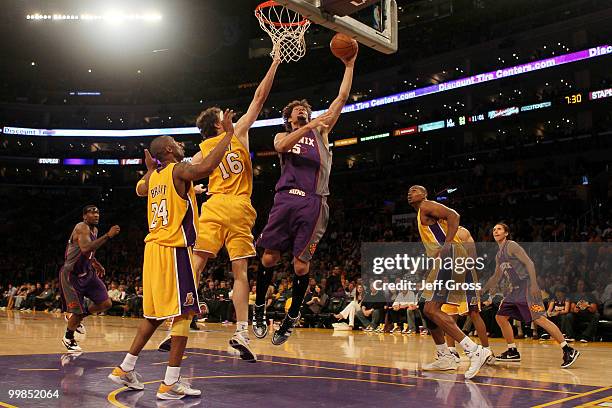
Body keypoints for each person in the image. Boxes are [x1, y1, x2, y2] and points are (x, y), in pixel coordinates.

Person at [108, 111, 236, 400]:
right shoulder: (179, 169)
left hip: (152, 250)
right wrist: (227, 135)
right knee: (185, 312)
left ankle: (125, 368)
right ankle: (170, 382)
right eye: (175, 143)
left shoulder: (154, 178)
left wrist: (151, 167)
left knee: (153, 315)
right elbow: (207, 165)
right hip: (173, 250)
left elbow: (142, 190)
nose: (180, 144)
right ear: (168, 150)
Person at [253, 44, 358, 346]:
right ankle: (260, 310)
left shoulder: (320, 132)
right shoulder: (283, 135)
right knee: (270, 258)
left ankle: (293, 315)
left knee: (300, 266)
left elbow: (340, 100)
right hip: (285, 199)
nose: (303, 110)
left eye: (306, 109)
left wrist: (349, 66)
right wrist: (308, 124)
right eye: (297, 109)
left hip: (314, 201)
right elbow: (281, 147)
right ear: (289, 117)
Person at [407, 185, 491, 380]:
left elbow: (454, 215)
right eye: (409, 191)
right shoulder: (422, 213)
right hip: (446, 259)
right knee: (424, 305)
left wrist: (447, 245)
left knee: (431, 309)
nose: (410, 193)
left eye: (415, 190)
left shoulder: (427, 205)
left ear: (424, 194)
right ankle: (445, 356)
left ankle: (474, 351)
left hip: (451, 257)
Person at [483, 223, 580, 368]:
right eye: (494, 229)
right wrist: (483, 290)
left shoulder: (512, 245)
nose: (495, 231)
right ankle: (512, 350)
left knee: (539, 318)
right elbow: (496, 276)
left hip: (526, 286)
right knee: (500, 317)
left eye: (499, 229)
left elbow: (529, 263)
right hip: (514, 291)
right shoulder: (499, 255)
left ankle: (568, 349)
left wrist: (534, 284)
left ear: (506, 233)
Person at [59, 205, 119, 352]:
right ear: (84, 216)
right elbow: (85, 247)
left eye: (98, 212)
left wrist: (96, 263)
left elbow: (88, 252)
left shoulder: (95, 230)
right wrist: (108, 236)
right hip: (71, 275)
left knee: (106, 303)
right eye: (92, 212)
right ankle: (68, 337)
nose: (96, 215)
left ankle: (77, 317)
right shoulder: (81, 227)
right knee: (77, 312)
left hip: (88, 273)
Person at [442, 226, 493, 363]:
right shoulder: (440, 233)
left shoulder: (462, 232)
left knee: (474, 313)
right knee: (449, 316)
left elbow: (473, 258)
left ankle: (487, 352)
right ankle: (451, 352)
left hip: (466, 277)